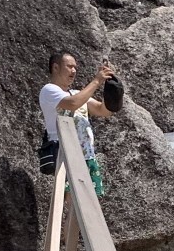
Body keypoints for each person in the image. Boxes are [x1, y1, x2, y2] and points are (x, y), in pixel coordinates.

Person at [39, 51, 116, 196]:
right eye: (69, 66)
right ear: (55, 68)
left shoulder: (77, 93)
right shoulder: (49, 90)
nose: (74, 71)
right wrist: (96, 81)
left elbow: (103, 111)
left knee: (91, 202)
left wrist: (111, 90)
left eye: (75, 67)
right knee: (73, 203)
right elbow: (73, 103)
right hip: (65, 154)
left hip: (87, 155)